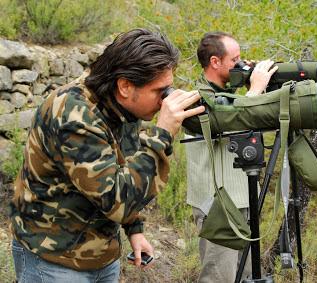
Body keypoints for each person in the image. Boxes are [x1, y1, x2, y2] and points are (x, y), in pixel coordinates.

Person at [8, 28, 205, 282]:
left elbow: (125, 169)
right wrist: (162, 134)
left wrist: (135, 229)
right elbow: (116, 199)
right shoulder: (74, 114)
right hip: (53, 260)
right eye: (159, 91)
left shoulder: (124, 106)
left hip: (100, 254)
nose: (163, 101)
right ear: (124, 85)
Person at [185, 31, 278, 283]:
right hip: (218, 205)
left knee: (247, 276)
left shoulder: (235, 95)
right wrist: (255, 89)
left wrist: (259, 87)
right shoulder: (197, 99)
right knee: (220, 278)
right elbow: (233, 117)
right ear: (215, 62)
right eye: (234, 59)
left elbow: (251, 114)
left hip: (245, 199)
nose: (241, 64)